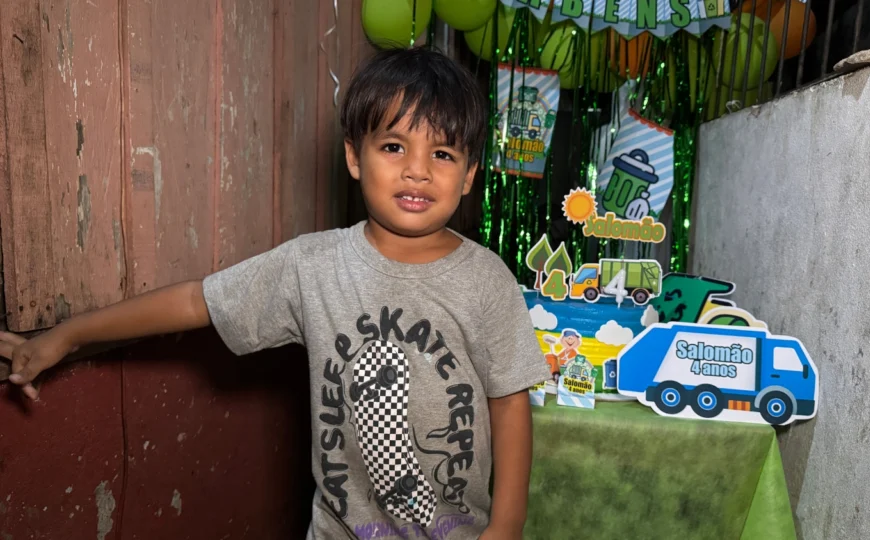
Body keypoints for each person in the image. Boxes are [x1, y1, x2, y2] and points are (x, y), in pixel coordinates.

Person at [0, 47, 550, 540]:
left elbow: (509, 405)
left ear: (471, 175)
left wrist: (507, 525)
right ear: (355, 157)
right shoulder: (311, 265)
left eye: (444, 155)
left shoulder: (486, 278)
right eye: (393, 145)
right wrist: (66, 336)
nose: (417, 171)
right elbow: (197, 301)